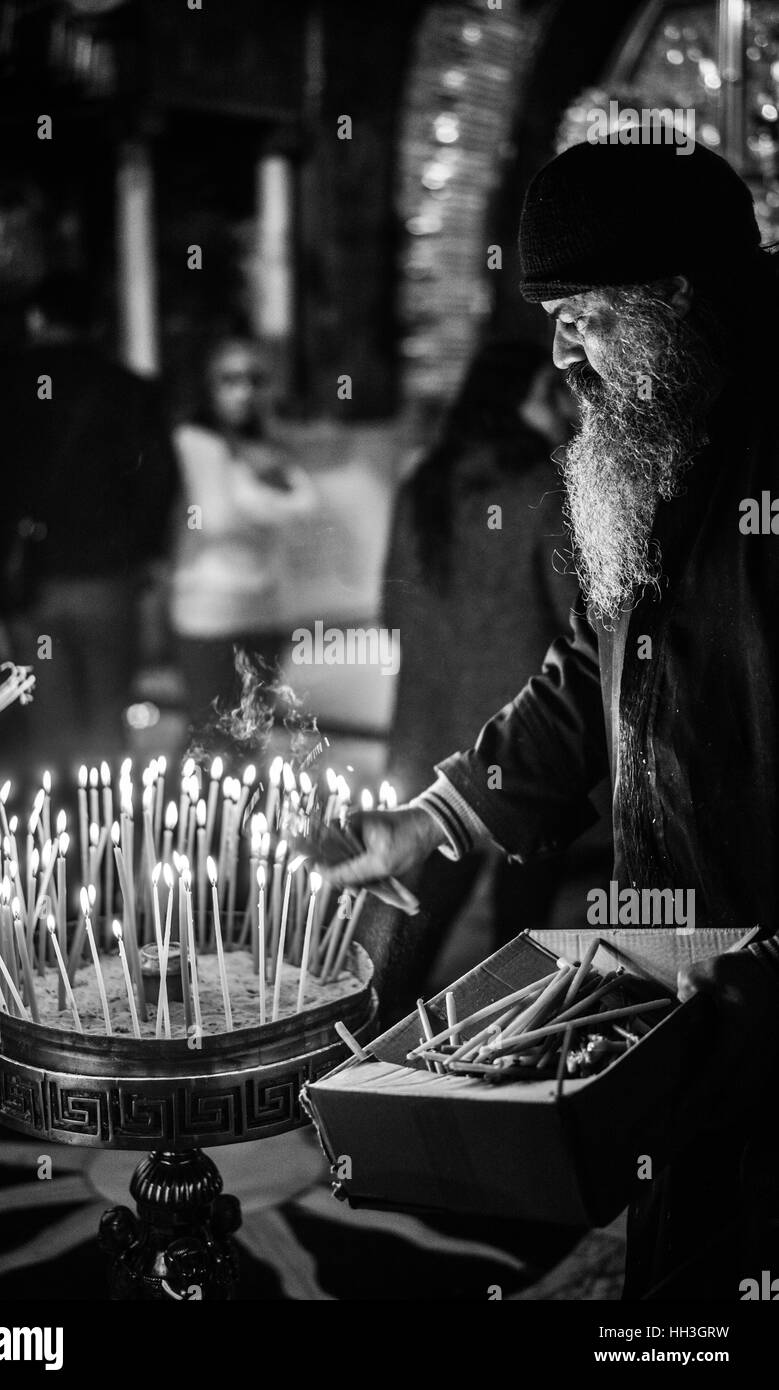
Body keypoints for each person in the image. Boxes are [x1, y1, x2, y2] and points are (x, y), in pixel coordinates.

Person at [322, 134, 779, 1299]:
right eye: (553, 316)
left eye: (585, 312)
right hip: (681, 983)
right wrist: (431, 819)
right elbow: (593, 661)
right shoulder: (664, 434)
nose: (563, 353)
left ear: (678, 298)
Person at [382, 340, 611, 1014]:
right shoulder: (550, 484)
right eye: (565, 382)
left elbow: (389, 608)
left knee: (423, 903)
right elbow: (585, 623)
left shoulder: (421, 482)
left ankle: (371, 1053)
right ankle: (490, 1049)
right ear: (536, 391)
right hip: (520, 734)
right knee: (522, 920)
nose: (577, 395)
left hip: (428, 726)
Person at [0, 273, 178, 782]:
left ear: (35, 319)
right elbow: (158, 482)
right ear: (97, 323)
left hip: (29, 584)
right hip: (108, 581)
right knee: (105, 716)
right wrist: (143, 556)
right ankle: (108, 834)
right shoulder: (129, 390)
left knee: (47, 718)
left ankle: (56, 835)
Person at [169, 335, 315, 741]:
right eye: (229, 379)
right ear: (209, 385)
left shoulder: (270, 445)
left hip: (265, 610)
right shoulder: (197, 439)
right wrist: (265, 493)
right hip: (209, 612)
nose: (243, 391)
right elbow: (216, 518)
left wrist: (251, 496)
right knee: (208, 738)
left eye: (255, 379)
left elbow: (304, 507)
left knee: (249, 736)